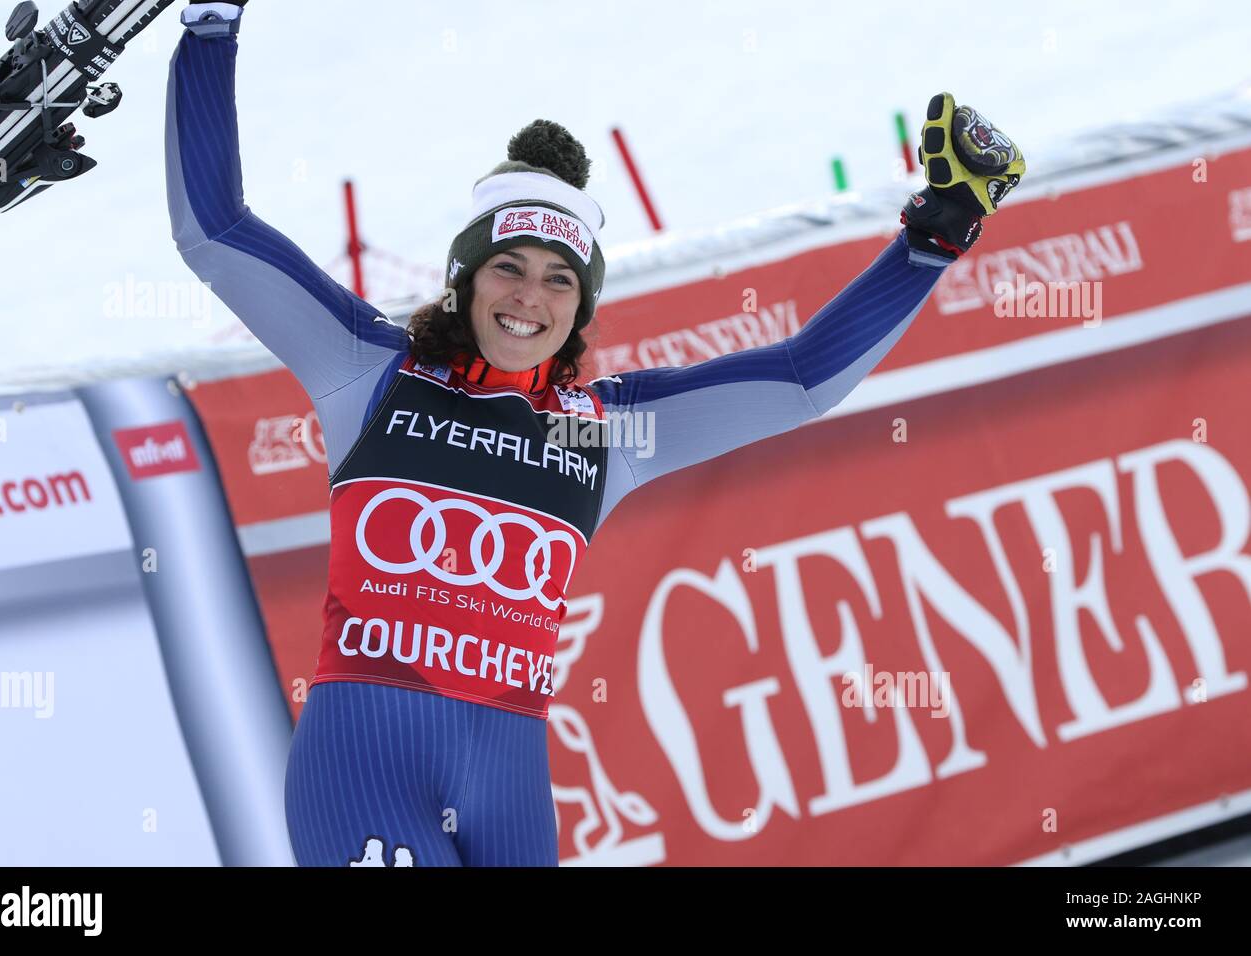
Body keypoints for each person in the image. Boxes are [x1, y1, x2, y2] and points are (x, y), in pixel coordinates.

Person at [168, 2, 1024, 866]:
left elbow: (803, 378)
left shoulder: (607, 431)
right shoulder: (368, 370)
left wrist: (938, 229)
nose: (528, 298)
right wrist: (210, 32)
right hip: (363, 765)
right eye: (507, 267)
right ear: (464, 279)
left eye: (558, 282)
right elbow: (216, 232)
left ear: (581, 310)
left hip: (506, 783)